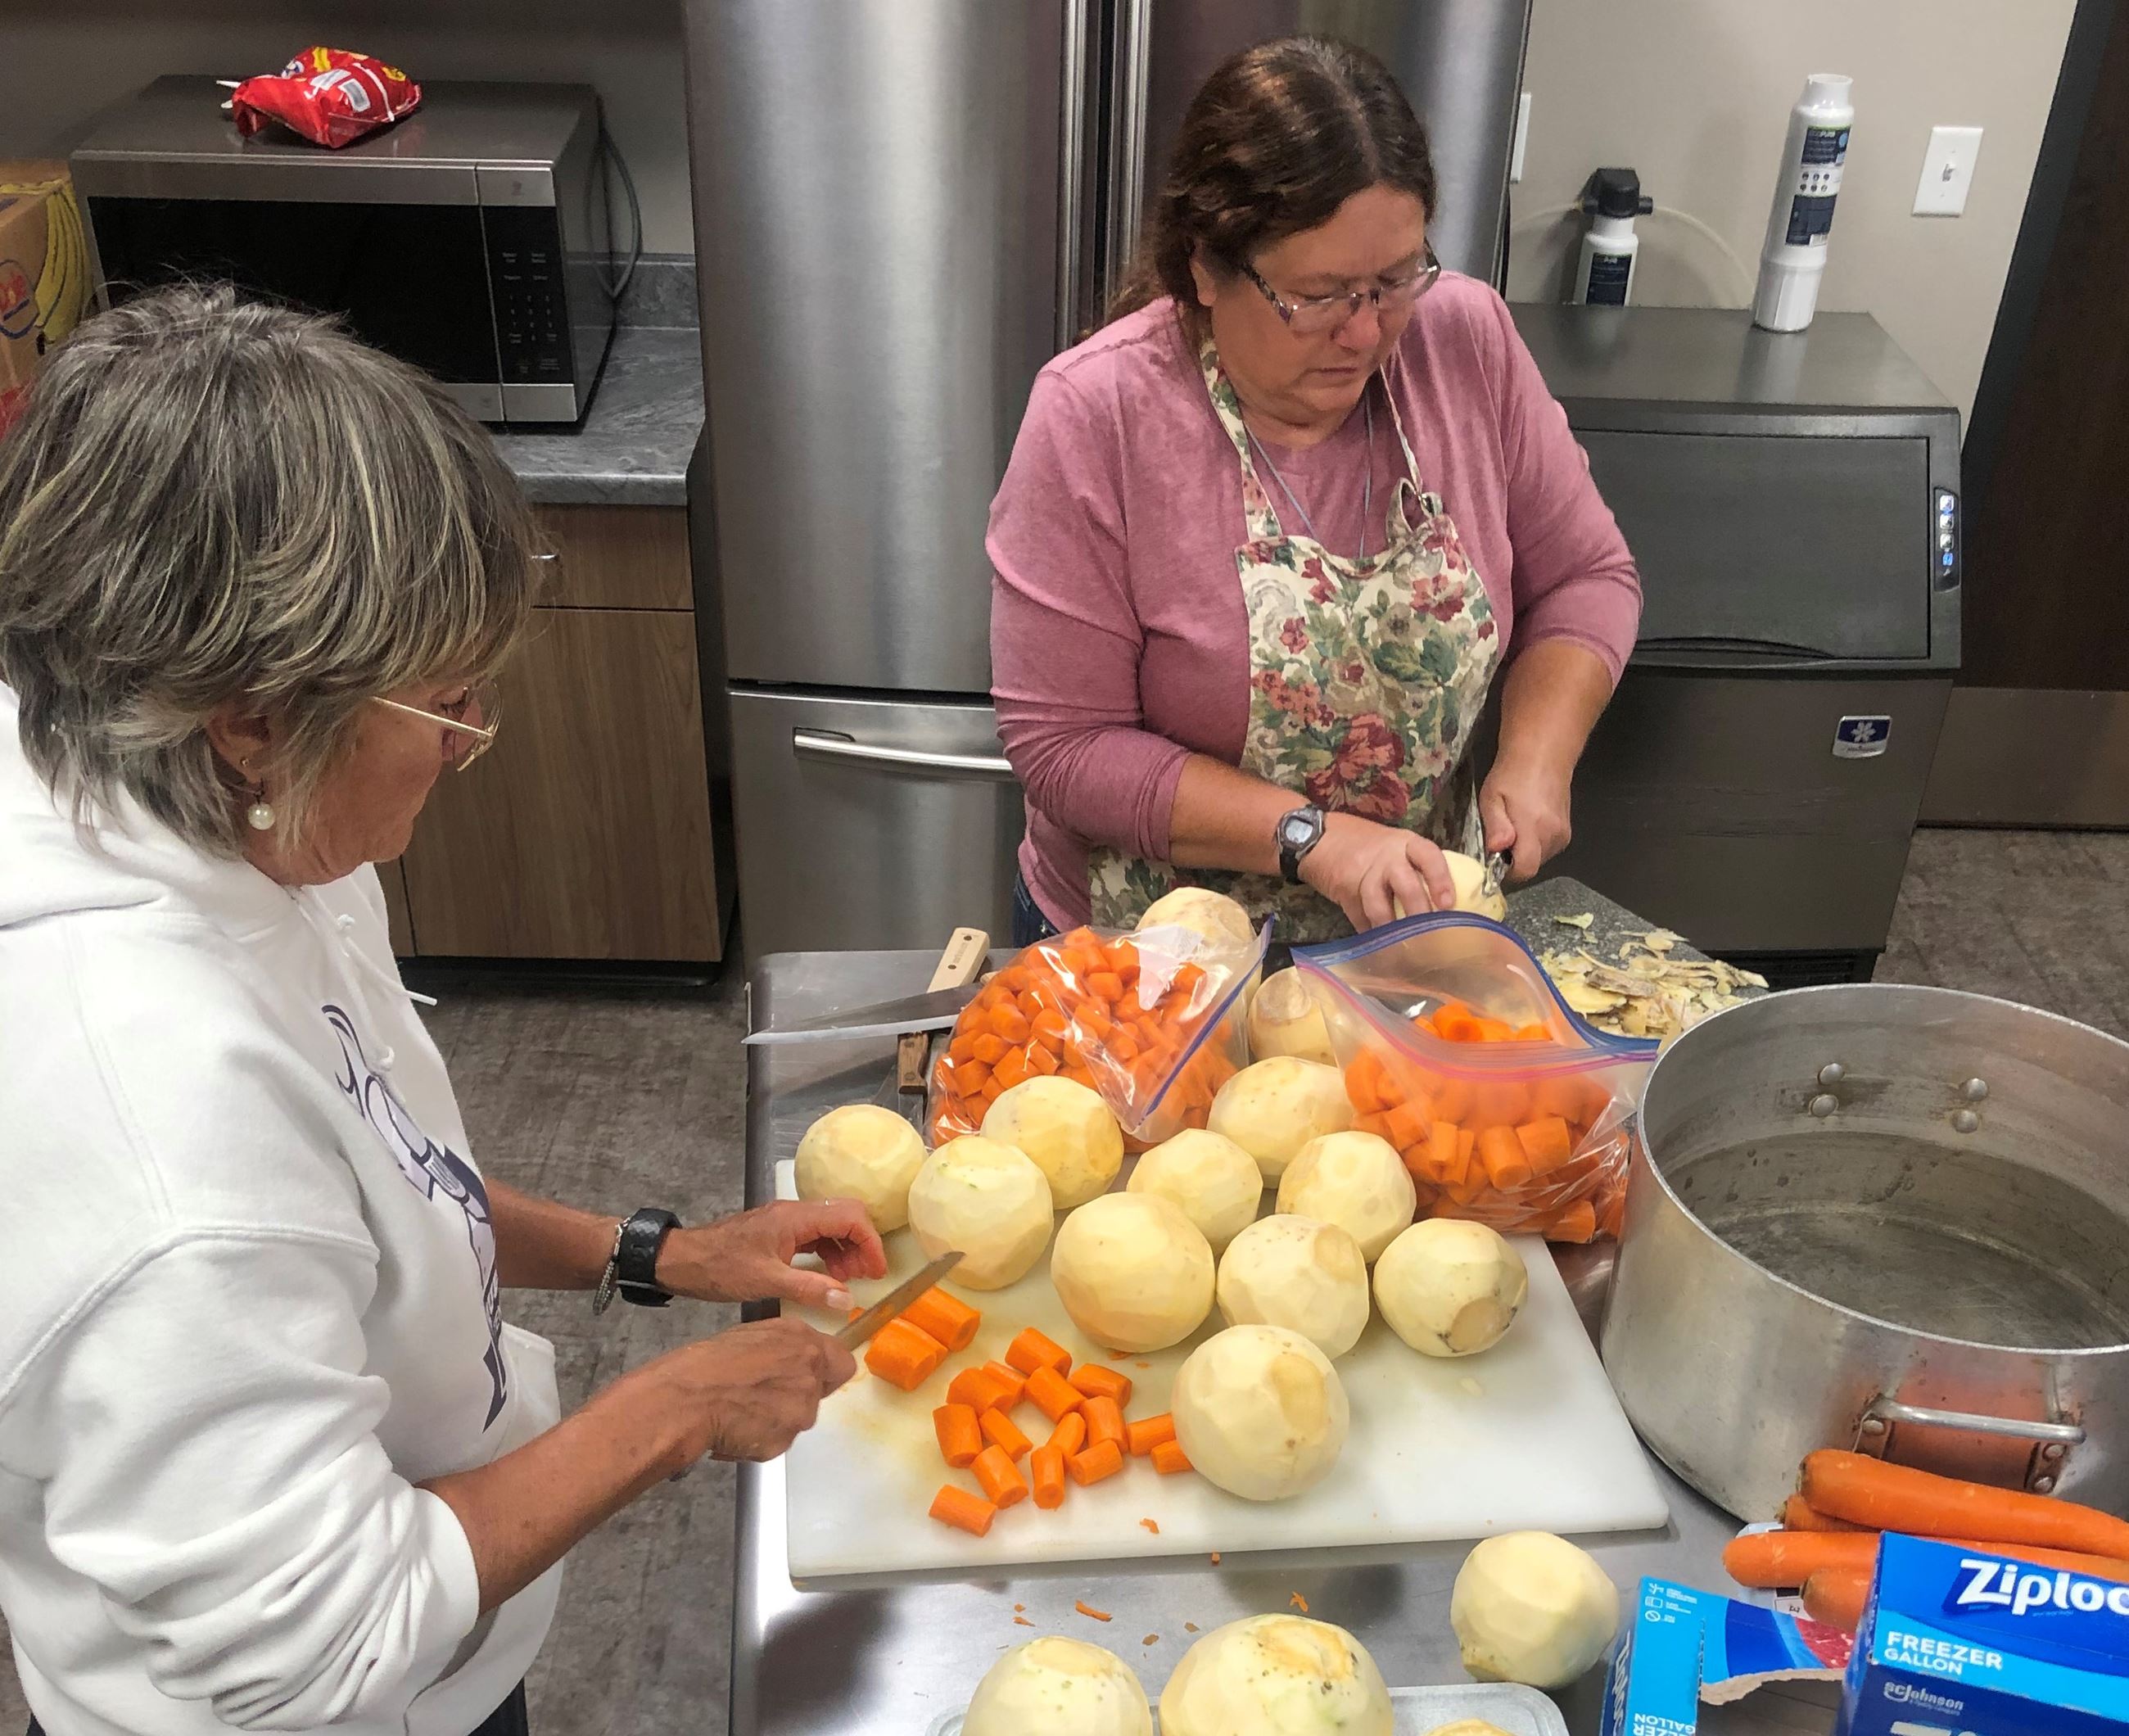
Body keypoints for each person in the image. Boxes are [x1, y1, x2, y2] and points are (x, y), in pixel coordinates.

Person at [0, 286, 883, 1736]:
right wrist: (675, 1410)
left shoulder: (214, 807)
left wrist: (657, 1255)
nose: (471, 746)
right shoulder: (157, 1133)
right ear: (254, 711)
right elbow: (319, 1646)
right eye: (452, 707)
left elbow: (370, 1177)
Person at [990, 37, 1642, 945]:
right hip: (1149, 965)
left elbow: (1585, 576)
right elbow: (1067, 750)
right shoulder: (1097, 414)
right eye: (1321, 294)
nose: (1366, 331)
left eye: (1393, 280)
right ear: (1205, 270)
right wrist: (1313, 838)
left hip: (1405, 941)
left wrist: (1537, 753)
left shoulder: (1464, 343)